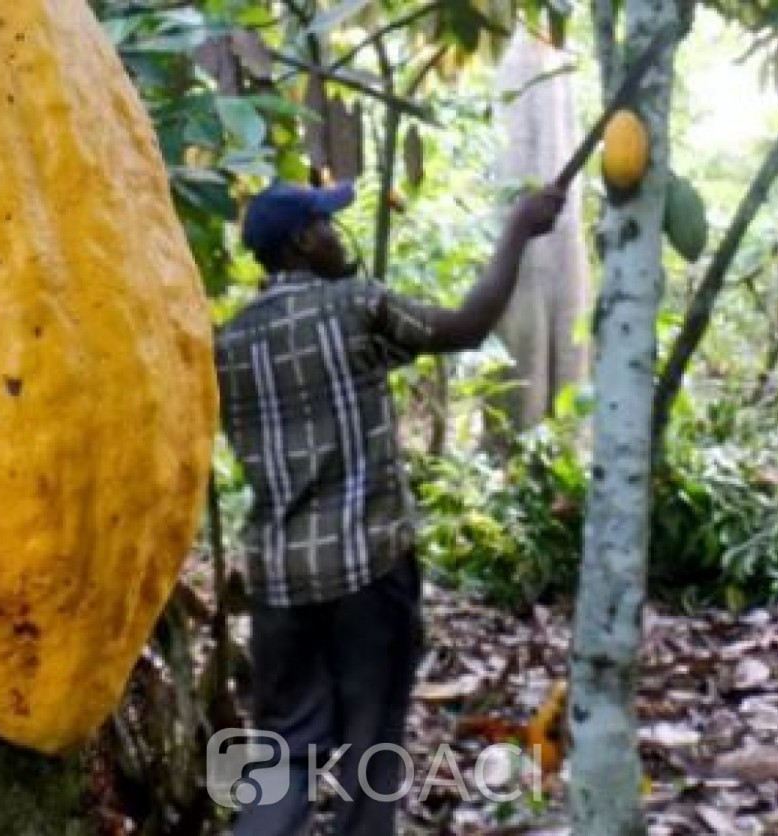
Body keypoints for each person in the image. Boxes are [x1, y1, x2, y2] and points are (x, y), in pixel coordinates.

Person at [214, 177, 566, 835]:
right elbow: (468, 326)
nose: (336, 235)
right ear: (301, 242)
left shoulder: (226, 345)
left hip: (279, 584)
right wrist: (519, 230)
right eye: (325, 225)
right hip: (368, 571)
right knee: (371, 756)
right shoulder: (355, 306)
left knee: (284, 755)